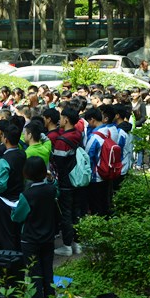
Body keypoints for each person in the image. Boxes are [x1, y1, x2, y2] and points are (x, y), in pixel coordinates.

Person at [11, 156, 57, 298]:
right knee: (48, 271)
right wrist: (50, 179)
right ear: (44, 172)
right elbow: (56, 191)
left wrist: (13, 209)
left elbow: (17, 217)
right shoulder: (50, 190)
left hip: (30, 240)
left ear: (26, 173)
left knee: (34, 274)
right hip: (48, 238)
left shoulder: (26, 195)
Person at [52, 108, 83, 257]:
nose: (60, 120)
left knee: (66, 214)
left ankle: (66, 246)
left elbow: (58, 163)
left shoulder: (62, 140)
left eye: (61, 117)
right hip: (78, 179)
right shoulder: (78, 134)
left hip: (66, 181)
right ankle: (77, 244)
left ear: (66, 119)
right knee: (77, 212)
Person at [0, 124, 26, 250]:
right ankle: (19, 256)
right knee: (18, 231)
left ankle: (8, 258)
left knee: (6, 232)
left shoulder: (4, 160)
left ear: (5, 139)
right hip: (20, 198)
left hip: (6, 201)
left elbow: (1, 184)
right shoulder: (22, 154)